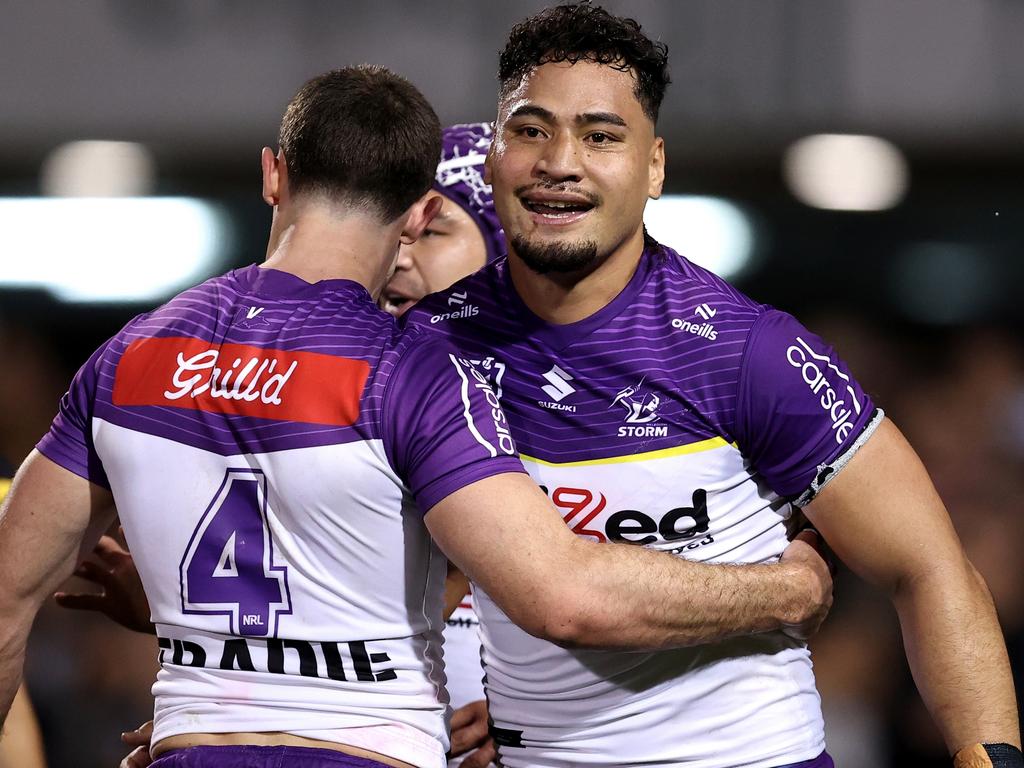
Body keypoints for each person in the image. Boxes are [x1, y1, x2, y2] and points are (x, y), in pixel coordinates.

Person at [0, 65, 837, 768]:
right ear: (414, 216)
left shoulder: (130, 356)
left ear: (272, 174)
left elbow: (6, 599)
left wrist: (185, 626)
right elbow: (563, 597)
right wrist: (786, 588)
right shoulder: (413, 372)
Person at [403, 3, 1023, 767]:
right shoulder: (428, 348)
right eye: (531, 130)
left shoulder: (745, 350)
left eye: (601, 135)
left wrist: (988, 755)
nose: (560, 161)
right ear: (495, 154)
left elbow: (927, 565)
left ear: (654, 165)